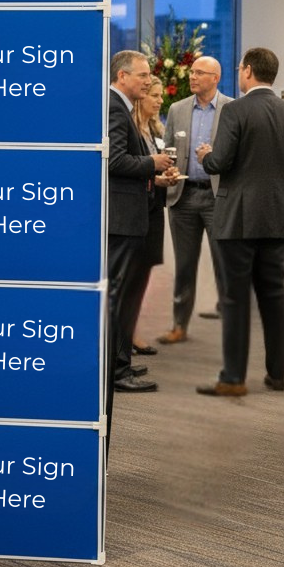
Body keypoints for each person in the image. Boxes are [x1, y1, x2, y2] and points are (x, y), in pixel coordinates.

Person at [195, 47, 284, 397]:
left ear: (247, 72)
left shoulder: (235, 110)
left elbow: (221, 161)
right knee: (275, 297)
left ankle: (233, 378)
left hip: (238, 220)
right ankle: (278, 375)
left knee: (235, 300)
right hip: (277, 219)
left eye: (240, 67)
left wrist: (205, 156)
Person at [106, 51, 174, 411]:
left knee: (124, 297)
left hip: (130, 217)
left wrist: (153, 173)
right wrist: (152, 163)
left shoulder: (119, 106)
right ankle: (117, 370)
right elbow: (114, 161)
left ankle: (120, 364)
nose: (149, 81)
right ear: (122, 75)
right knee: (118, 298)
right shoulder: (115, 108)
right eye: (143, 75)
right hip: (122, 219)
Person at [158, 56, 232, 345]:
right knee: (184, 265)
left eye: (200, 73)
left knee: (224, 264)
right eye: (192, 72)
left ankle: (231, 323)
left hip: (218, 197)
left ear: (216, 77)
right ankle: (179, 324)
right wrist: (170, 168)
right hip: (184, 197)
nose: (193, 77)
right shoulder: (177, 109)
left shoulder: (231, 109)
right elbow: (169, 150)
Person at [126, 79, 181, 371]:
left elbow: (149, 171)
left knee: (143, 273)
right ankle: (126, 336)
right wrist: (154, 176)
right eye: (155, 96)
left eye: (161, 96)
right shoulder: (132, 129)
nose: (160, 101)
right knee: (131, 276)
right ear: (141, 99)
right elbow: (133, 168)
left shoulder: (155, 130)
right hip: (136, 209)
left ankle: (132, 332)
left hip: (153, 208)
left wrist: (162, 179)